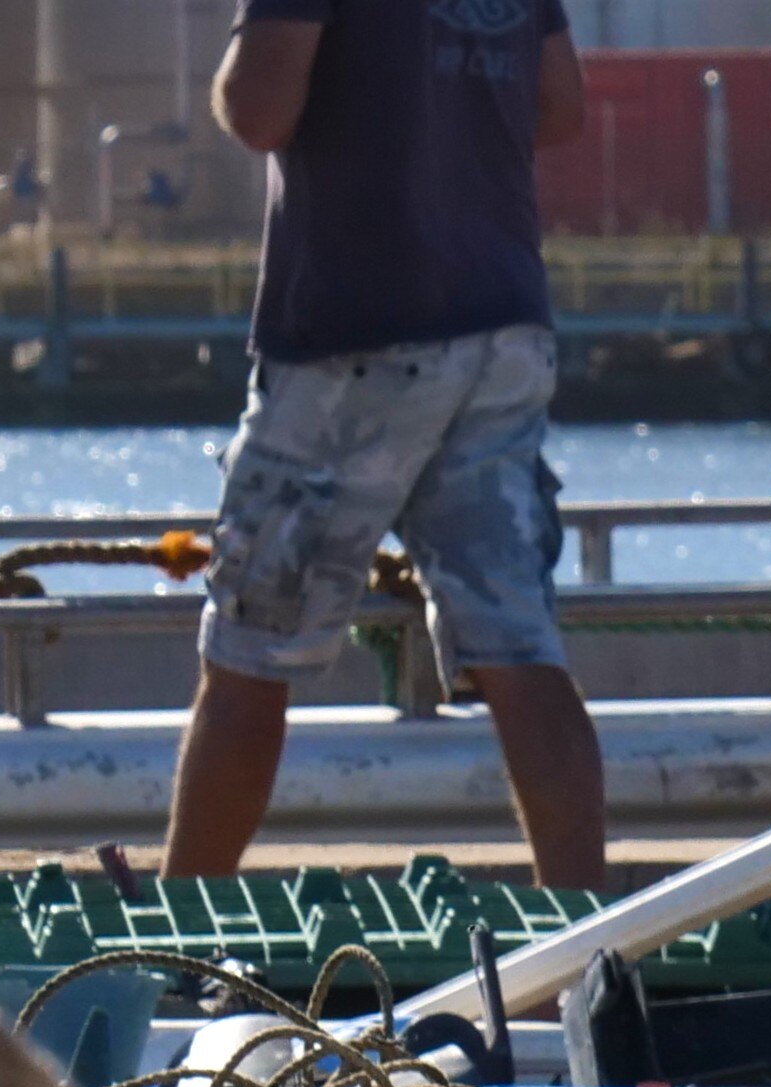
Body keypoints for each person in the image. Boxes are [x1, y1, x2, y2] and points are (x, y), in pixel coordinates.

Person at [171, 0, 603, 903]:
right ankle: (583, 944)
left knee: (252, 649)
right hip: (502, 320)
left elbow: (258, 112)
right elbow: (562, 107)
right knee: (519, 644)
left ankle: (176, 945)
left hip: (354, 338)